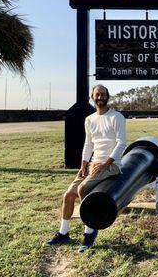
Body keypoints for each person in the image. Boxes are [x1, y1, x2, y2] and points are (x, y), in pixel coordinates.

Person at [46, 84, 126, 252]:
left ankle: (89, 232)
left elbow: (122, 143)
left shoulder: (116, 117)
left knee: (83, 189)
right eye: (97, 95)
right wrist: (83, 166)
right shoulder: (89, 120)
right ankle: (63, 233)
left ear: (108, 97)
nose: (100, 97)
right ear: (92, 97)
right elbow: (88, 145)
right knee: (68, 195)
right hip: (92, 165)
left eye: (103, 94)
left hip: (111, 166)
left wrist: (107, 163)